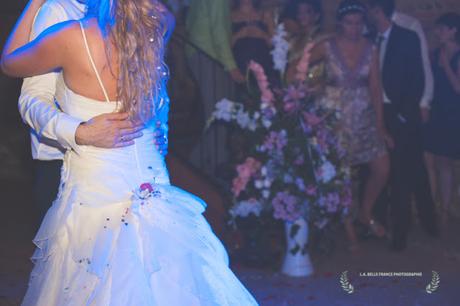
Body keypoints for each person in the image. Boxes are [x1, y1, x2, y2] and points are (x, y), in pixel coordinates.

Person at [1, 0, 258, 304]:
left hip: (98, 187)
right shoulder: (158, 22)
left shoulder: (73, 35)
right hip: (151, 176)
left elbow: (9, 63)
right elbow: (157, 89)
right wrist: (157, 122)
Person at [19, 0, 168, 226]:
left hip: (141, 170)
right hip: (68, 162)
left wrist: (158, 124)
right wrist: (78, 132)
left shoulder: (139, 14)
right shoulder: (57, 12)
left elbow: (155, 83)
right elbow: (33, 98)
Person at [310, 0, 392, 251]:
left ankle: (364, 213)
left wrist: (381, 126)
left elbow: (376, 88)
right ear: (340, 23)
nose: (354, 28)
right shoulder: (326, 46)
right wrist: (312, 88)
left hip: (365, 116)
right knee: (343, 176)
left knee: (382, 167)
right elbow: (297, 68)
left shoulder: (371, 48)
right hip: (335, 118)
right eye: (349, 23)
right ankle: (348, 227)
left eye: (358, 23)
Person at [367, 0, 438, 251]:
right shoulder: (370, 37)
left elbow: (419, 75)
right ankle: (380, 224)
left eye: (371, 9)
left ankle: (401, 233)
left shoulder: (407, 34)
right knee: (384, 169)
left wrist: (408, 113)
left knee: (403, 175)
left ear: (380, 11)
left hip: (401, 114)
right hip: (377, 111)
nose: (368, 13)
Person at [423, 13, 460, 226]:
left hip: (451, 113)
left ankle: (445, 210)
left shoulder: (456, 56)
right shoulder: (435, 53)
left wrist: (446, 64)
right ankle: (431, 207)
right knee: (428, 160)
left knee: (444, 162)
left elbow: (458, 87)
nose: (438, 32)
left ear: (453, 31)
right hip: (434, 111)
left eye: (442, 29)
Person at [231, 0, 276, 83]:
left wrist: (262, 35)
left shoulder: (265, 14)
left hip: (264, 66)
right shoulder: (229, 16)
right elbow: (224, 47)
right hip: (240, 67)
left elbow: (276, 46)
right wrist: (239, 35)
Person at [283, 0, 325, 84]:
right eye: (299, 12)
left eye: (307, 12)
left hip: (313, 86)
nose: (302, 16)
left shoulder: (321, 39)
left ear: (317, 16)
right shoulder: (294, 39)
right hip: (292, 87)